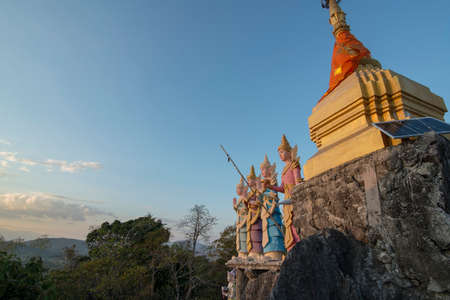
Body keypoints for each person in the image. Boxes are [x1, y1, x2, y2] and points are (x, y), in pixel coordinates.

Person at [269, 135, 302, 251]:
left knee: (294, 223)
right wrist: (270, 186)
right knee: (288, 225)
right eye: (279, 153)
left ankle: (299, 248)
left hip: (294, 197)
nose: (280, 154)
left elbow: (298, 182)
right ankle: (291, 248)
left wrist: (297, 196)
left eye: (282, 152)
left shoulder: (294, 165)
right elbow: (282, 188)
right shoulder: (283, 170)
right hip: (286, 199)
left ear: (289, 152)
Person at [259, 155, 285, 260]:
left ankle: (276, 253)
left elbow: (274, 194)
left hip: (272, 208)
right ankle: (268, 252)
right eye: (261, 169)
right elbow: (260, 197)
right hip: (265, 209)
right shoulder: (262, 183)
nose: (263, 171)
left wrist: (265, 194)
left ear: (270, 169)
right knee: (266, 230)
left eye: (265, 169)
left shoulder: (272, 181)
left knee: (273, 229)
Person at [245, 165, 263, 259]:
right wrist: (247, 202)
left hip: (257, 214)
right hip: (250, 215)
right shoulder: (249, 193)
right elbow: (246, 204)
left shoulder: (257, 191)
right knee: (251, 233)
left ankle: (258, 251)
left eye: (250, 180)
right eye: (248, 180)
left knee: (257, 232)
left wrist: (254, 202)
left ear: (255, 180)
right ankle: (251, 251)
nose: (249, 182)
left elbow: (260, 201)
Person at [232, 178, 248, 257]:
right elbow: (238, 210)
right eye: (236, 188)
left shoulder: (244, 197)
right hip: (239, 220)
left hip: (244, 220)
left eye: (238, 188)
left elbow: (246, 209)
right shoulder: (240, 198)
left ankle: (244, 253)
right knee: (240, 237)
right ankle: (241, 253)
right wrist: (234, 206)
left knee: (244, 236)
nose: (237, 190)